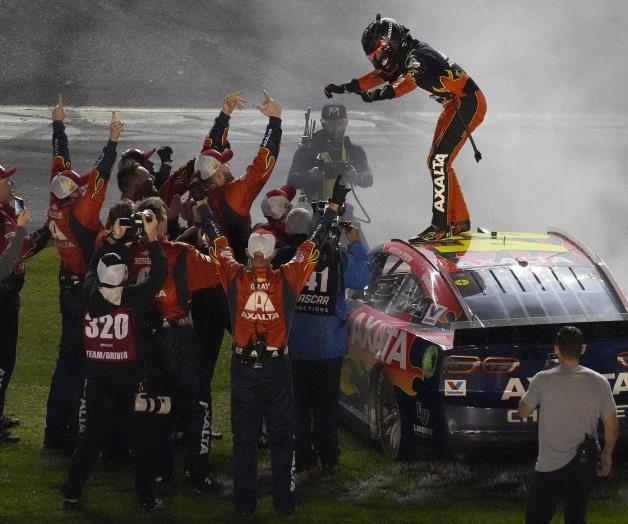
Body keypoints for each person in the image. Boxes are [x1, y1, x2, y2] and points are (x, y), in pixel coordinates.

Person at [200, 117, 351, 518]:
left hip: (243, 367)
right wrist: (334, 207)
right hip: (275, 365)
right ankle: (284, 503)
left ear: (252, 250)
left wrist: (202, 211)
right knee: (281, 437)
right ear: (271, 248)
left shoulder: (232, 273)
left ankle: (244, 505)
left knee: (246, 438)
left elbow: (216, 241)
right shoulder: (288, 275)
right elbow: (315, 243)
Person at [324, 14, 487, 242]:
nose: (378, 60)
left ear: (391, 45)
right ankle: (458, 221)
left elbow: (405, 83)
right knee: (436, 161)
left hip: (468, 103)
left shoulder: (417, 57)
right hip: (455, 104)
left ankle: (440, 225)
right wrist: (346, 87)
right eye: (374, 56)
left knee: (439, 161)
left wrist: (376, 94)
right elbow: (378, 76)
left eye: (380, 53)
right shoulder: (406, 53)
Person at [62, 210, 168, 510]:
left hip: (96, 380)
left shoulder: (86, 295)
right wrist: (152, 240)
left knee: (90, 440)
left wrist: (112, 240)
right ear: (123, 275)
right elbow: (158, 276)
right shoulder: (132, 298)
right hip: (128, 382)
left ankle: (72, 489)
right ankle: (147, 498)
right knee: (141, 442)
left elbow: (93, 268)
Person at [44, 95, 124, 453]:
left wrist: (58, 125)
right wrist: (111, 142)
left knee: (66, 360)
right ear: (75, 192)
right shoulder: (83, 213)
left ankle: (53, 432)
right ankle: (78, 434)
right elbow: (101, 179)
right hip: (83, 291)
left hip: (65, 285)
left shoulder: (56, 204)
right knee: (87, 361)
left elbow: (61, 162)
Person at [276, 207, 370, 481]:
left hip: (294, 346)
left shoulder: (284, 258)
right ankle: (329, 457)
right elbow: (361, 277)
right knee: (326, 408)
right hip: (328, 347)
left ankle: (304, 460)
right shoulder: (336, 255)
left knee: (298, 408)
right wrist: (354, 243)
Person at [134, 196, 220, 492]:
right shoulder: (181, 253)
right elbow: (220, 270)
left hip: (145, 338)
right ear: (157, 222)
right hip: (178, 337)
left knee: (158, 405)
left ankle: (158, 471)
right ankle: (197, 473)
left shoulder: (127, 253)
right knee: (196, 404)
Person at [519, 326, 619, 524]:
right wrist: (607, 453)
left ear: (556, 349)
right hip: (583, 463)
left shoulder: (542, 379)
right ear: (582, 349)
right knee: (576, 516)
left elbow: (523, 411)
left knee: (536, 518)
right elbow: (612, 426)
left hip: (549, 465)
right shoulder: (599, 382)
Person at [0, 165, 50, 443]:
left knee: (6, 360)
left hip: (8, 294)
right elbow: (18, 252)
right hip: (2, 294)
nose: (12, 184)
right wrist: (44, 233)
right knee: (2, 360)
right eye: (7, 180)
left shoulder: (6, 211)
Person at [287, 103, 373, 220]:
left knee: (356, 232)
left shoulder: (353, 150)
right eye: (330, 124)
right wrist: (310, 176)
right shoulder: (308, 149)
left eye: (339, 123)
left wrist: (357, 177)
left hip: (341, 209)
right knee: (297, 228)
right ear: (323, 123)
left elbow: (369, 179)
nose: (335, 128)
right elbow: (291, 181)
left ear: (346, 123)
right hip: (311, 209)